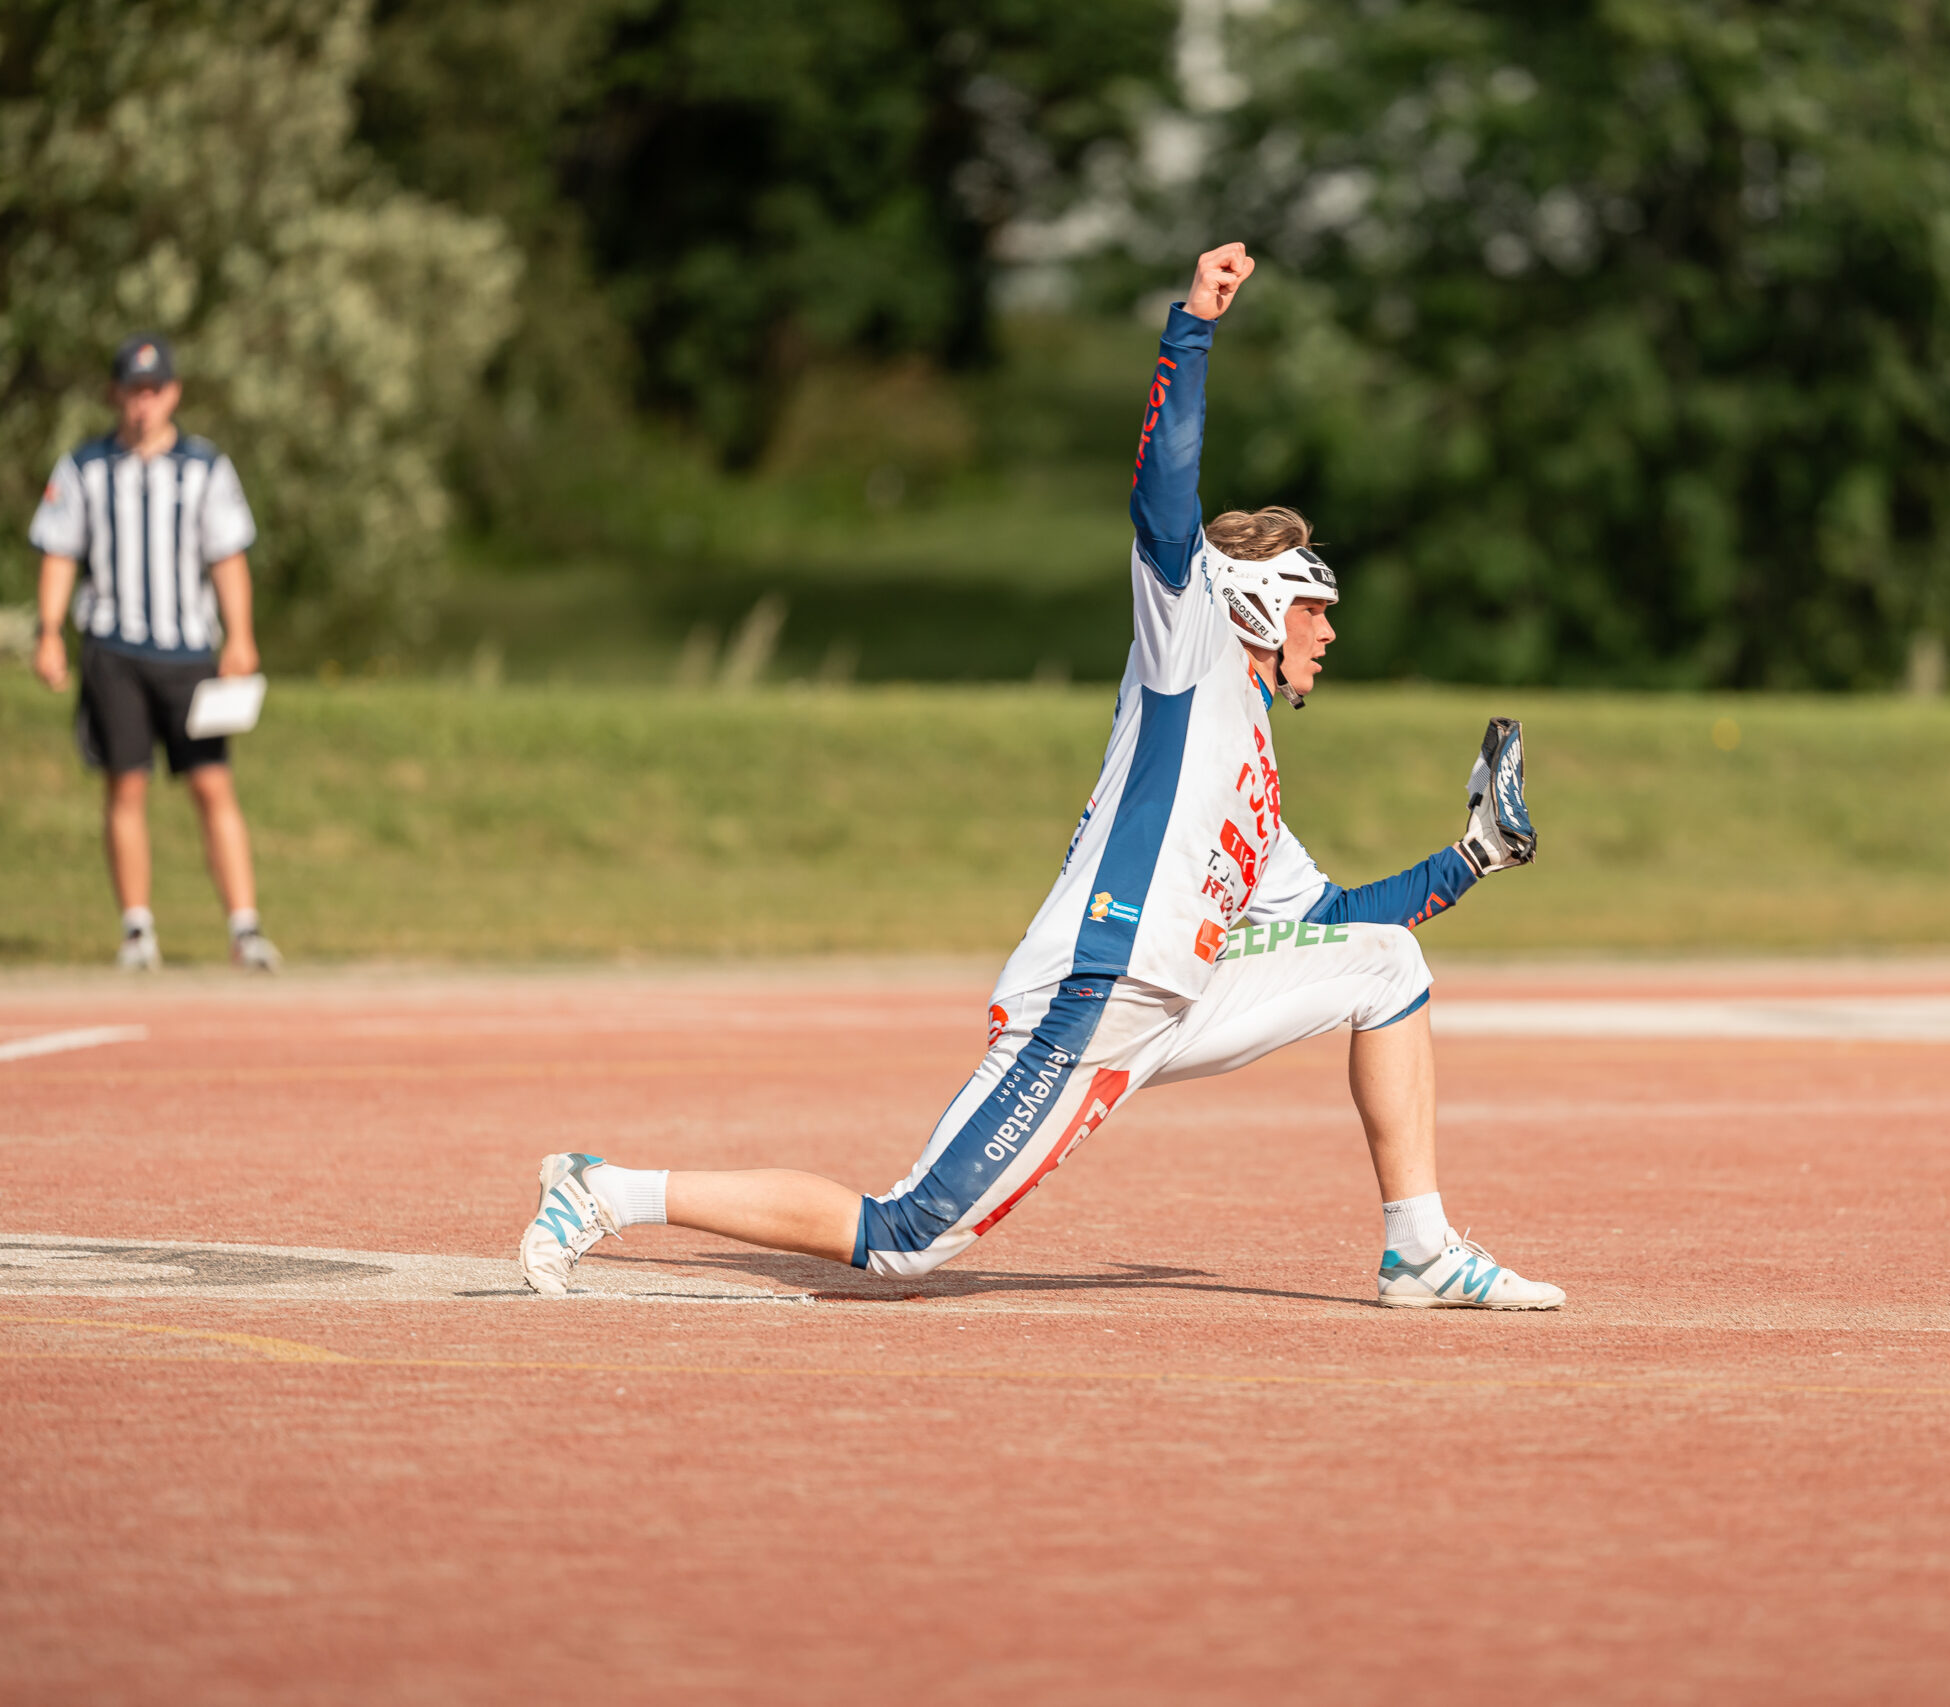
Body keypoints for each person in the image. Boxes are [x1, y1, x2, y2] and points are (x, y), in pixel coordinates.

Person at [518, 243, 1560, 1308]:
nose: (1328, 632)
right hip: (1091, 994)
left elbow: (1333, 917)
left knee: (1383, 963)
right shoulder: (1190, 647)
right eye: (1314, 608)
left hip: (1174, 999)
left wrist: (1472, 858)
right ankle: (607, 1190)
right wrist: (1194, 327)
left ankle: (1418, 1250)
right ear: (1255, 598)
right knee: (903, 1238)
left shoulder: (1252, 773)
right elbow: (1165, 498)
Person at [26, 334, 281, 972]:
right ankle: (137, 929)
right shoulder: (84, 468)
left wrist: (240, 634)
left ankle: (244, 926)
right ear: (116, 394)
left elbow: (228, 557)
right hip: (114, 648)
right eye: (133, 391)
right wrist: (50, 632)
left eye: (154, 391)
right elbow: (59, 553)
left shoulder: (204, 468)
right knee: (126, 784)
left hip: (188, 650)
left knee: (212, 784)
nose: (143, 404)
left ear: (173, 394)